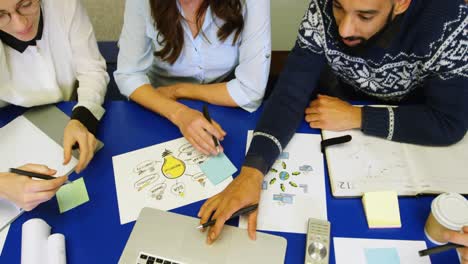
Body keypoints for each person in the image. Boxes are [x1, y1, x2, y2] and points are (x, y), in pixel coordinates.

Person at [199, 0, 468, 244]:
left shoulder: (452, 23)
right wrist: (252, 173)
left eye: (365, 16)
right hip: (334, 103)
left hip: (407, 120)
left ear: (400, 4)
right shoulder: (323, 8)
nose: (344, 29)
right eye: (339, 8)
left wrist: (358, 117)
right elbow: (290, 94)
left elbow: (449, 122)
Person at [114, 0, 271, 156]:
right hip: (158, 101)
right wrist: (180, 114)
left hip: (222, 99)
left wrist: (178, 90)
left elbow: (250, 89)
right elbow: (129, 75)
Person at [0, 0, 109, 210]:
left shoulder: (64, 5)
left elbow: (92, 70)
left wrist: (82, 118)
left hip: (67, 111)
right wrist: (3, 185)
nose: (21, 25)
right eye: (1, 15)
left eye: (26, 4)